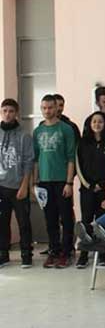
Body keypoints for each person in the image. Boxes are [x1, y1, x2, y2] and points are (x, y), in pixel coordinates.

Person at [32, 94, 76, 268]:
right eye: (44, 108)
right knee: (50, 219)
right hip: (44, 181)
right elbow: (36, 159)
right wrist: (35, 182)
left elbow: (71, 158)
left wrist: (69, 183)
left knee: (66, 218)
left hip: (62, 181)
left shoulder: (66, 129)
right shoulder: (38, 131)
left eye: (50, 107)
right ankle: (54, 251)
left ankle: (66, 252)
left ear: (56, 108)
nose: (47, 111)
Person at [74, 111, 105, 268]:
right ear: (89, 124)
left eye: (100, 121)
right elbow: (78, 165)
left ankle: (103, 254)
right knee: (86, 221)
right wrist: (89, 185)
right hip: (87, 189)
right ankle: (84, 255)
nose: (97, 124)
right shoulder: (82, 142)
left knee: (102, 222)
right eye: (94, 122)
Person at [0, 98, 34, 268]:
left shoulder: (24, 135)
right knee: (2, 223)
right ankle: (3, 254)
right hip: (1, 186)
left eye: (11, 111)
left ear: (16, 113)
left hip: (18, 186)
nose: (8, 114)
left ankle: (26, 254)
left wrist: (24, 185)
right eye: (5, 111)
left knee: (24, 222)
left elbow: (29, 162)